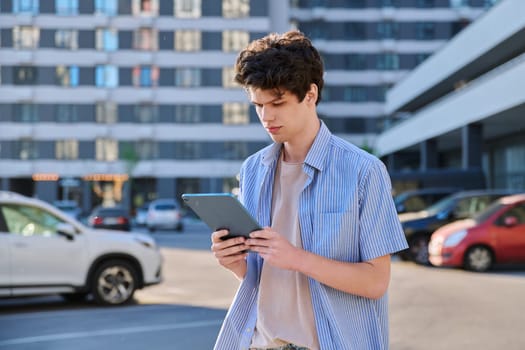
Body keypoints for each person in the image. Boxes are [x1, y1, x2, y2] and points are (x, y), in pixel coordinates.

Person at [211, 30, 408, 350]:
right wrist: (236, 263)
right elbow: (265, 278)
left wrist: (297, 258)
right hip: (259, 343)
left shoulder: (363, 171)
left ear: (310, 95)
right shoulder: (253, 170)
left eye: (277, 102)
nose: (266, 116)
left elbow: (375, 282)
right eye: (258, 105)